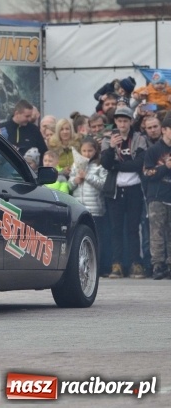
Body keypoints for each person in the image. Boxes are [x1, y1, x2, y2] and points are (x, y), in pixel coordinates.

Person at [101, 106, 148, 279]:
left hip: (135, 188)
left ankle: (136, 263)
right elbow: (105, 163)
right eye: (119, 121)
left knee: (133, 228)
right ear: (115, 122)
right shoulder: (109, 140)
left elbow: (138, 164)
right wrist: (112, 148)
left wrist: (117, 165)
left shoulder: (139, 139)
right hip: (115, 190)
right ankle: (117, 264)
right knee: (116, 229)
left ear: (131, 122)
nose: (122, 124)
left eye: (125, 121)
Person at [68, 137, 111, 277]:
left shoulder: (100, 166)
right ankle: (82, 268)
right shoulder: (76, 166)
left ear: (95, 151)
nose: (87, 153)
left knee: (97, 240)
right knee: (80, 240)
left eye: (90, 150)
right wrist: (76, 180)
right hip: (79, 209)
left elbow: (103, 184)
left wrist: (87, 177)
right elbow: (69, 186)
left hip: (95, 209)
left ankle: (100, 267)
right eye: (84, 151)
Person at [141, 115, 171, 280]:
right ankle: (157, 265)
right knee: (157, 232)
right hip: (157, 196)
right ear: (165, 130)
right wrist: (165, 167)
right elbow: (147, 173)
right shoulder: (153, 150)